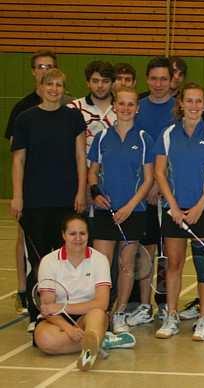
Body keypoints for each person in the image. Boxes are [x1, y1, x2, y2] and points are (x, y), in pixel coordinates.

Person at [10, 68, 87, 331]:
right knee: (40, 261)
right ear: (40, 86)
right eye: (49, 84)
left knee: (62, 259)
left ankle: (61, 311)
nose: (54, 89)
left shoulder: (73, 118)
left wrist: (80, 191)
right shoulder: (25, 119)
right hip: (34, 202)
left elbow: (80, 157)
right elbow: (18, 160)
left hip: (66, 199)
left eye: (59, 85)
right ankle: (37, 314)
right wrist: (18, 196)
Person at [152, 83, 204, 340]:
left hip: (203, 210)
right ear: (181, 103)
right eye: (189, 101)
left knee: (203, 267)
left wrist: (198, 207)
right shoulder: (167, 134)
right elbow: (160, 173)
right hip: (174, 210)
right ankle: (171, 316)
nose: (194, 106)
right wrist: (172, 206)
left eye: (199, 101)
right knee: (173, 264)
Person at [87, 86, 155, 334]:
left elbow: (148, 179)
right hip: (106, 211)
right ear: (114, 106)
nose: (126, 108)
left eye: (131, 104)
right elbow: (93, 171)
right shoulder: (102, 137)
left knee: (127, 265)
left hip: (133, 212)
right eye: (122, 104)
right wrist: (95, 193)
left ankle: (119, 313)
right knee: (102, 266)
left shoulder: (145, 139)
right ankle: (101, 312)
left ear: (137, 108)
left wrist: (129, 206)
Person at [5, 49, 64, 318]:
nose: (46, 73)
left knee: (58, 251)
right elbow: (17, 157)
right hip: (33, 195)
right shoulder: (23, 113)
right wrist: (18, 195)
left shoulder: (70, 112)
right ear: (34, 74)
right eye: (41, 68)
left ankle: (59, 303)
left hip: (61, 196)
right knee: (32, 249)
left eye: (50, 68)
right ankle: (28, 298)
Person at [32, 215, 118, 371]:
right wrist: (68, 329)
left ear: (88, 235)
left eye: (82, 233)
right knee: (44, 339)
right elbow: (47, 309)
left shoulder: (99, 260)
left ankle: (90, 348)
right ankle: (95, 341)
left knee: (97, 313)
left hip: (89, 315)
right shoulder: (49, 261)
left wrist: (61, 307)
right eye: (72, 234)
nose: (78, 238)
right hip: (57, 319)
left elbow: (101, 303)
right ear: (63, 235)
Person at [129, 56, 176, 326]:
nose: (158, 84)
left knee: (169, 252)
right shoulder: (138, 107)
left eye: (164, 79)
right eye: (154, 78)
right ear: (147, 79)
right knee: (145, 250)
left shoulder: (177, 109)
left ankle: (166, 305)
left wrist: (161, 184)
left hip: (169, 192)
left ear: (172, 81)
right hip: (142, 191)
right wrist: (149, 184)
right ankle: (144, 305)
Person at [68, 60, 116, 158]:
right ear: (87, 83)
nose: (100, 85)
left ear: (112, 83)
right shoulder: (73, 108)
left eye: (105, 81)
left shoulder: (125, 109)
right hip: (83, 169)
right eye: (95, 81)